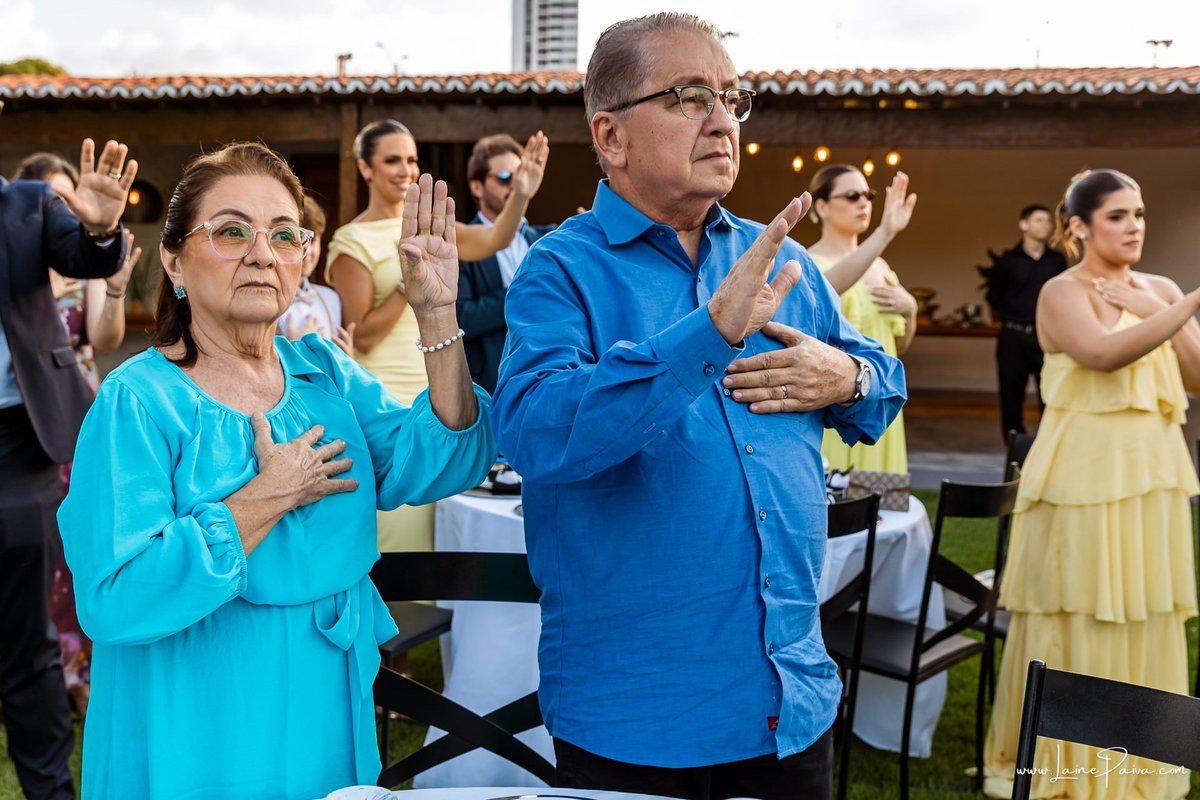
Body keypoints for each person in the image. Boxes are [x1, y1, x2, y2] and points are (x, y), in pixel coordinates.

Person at [492, 13, 905, 800]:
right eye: (688, 96)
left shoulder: (781, 259)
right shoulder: (562, 270)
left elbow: (882, 386)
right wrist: (707, 334)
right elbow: (538, 432)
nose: (722, 120)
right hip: (640, 719)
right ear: (610, 138)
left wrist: (844, 377)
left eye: (731, 97)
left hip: (793, 704)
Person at [57, 142, 494, 799]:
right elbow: (115, 597)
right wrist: (263, 498)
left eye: (285, 234)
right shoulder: (140, 401)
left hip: (323, 702)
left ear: (303, 259)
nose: (263, 251)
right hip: (193, 715)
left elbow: (444, 455)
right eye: (232, 231)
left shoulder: (327, 376)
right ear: (174, 261)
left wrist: (434, 312)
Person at [983, 169, 1200, 800]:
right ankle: (1063, 765)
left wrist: (1164, 305)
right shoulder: (1060, 291)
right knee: (1077, 611)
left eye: (1140, 213)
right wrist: (1186, 304)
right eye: (1117, 215)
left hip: (1149, 481)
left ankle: (1142, 756)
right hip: (1080, 480)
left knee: (1142, 612)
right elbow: (1103, 355)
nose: (1134, 226)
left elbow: (1197, 374)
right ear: (1078, 226)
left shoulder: (1158, 290)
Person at [326, 119, 547, 553]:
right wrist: (410, 289)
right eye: (392, 159)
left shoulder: (431, 227)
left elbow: (496, 236)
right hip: (387, 398)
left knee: (448, 534)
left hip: (441, 386)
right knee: (403, 536)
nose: (405, 169)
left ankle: (445, 623)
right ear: (365, 168)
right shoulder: (352, 241)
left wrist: (521, 192)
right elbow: (363, 336)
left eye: (411, 159)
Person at [0, 137, 133, 800]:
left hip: (15, 448)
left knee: (28, 643)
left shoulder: (27, 205)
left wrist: (102, 226)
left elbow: (84, 254)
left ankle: (49, 791)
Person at [807, 164, 918, 474]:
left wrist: (911, 311)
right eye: (852, 195)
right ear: (822, 206)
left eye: (868, 196)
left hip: (881, 397)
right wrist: (885, 232)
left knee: (881, 513)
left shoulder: (880, 266)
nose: (863, 203)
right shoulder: (809, 262)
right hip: (841, 405)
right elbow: (822, 292)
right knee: (840, 510)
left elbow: (897, 345)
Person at [456, 133, 557, 393]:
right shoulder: (461, 242)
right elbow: (461, 318)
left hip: (547, 380)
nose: (515, 183)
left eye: (520, 173)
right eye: (504, 178)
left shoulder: (549, 239)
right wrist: (523, 290)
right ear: (477, 187)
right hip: (489, 385)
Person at [984, 204, 1068, 441]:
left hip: (1045, 337)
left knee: (1050, 392)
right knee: (1011, 394)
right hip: (1013, 336)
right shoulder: (1008, 261)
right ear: (1024, 225)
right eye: (1039, 220)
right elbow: (994, 296)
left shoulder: (1056, 261)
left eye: (1048, 221)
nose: (1046, 225)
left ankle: (1049, 444)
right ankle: (1013, 448)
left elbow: (1063, 296)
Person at [278, 191, 354, 353]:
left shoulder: (331, 298)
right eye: (297, 239)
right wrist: (295, 349)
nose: (306, 249)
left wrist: (347, 360)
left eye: (313, 240)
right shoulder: (266, 298)